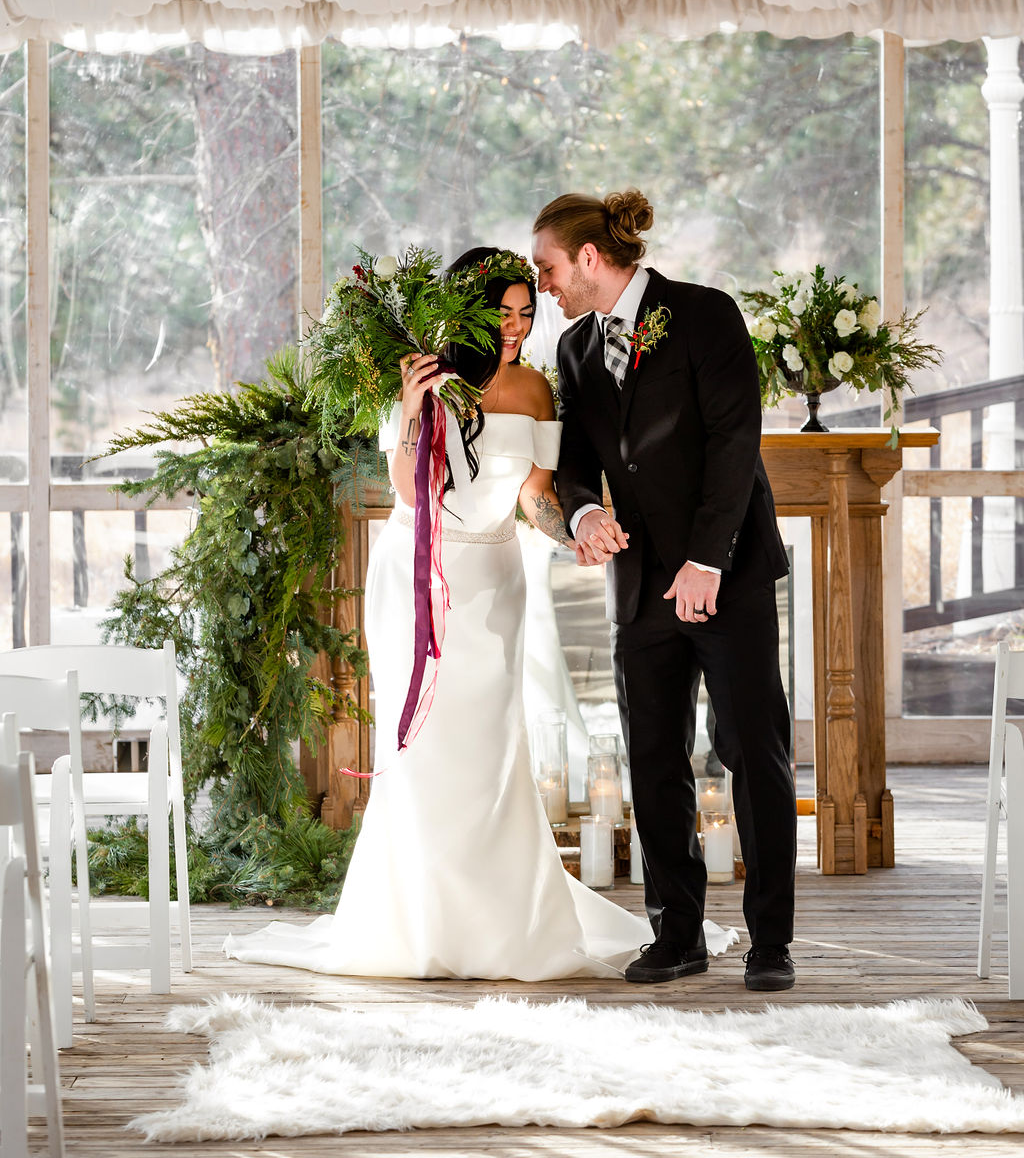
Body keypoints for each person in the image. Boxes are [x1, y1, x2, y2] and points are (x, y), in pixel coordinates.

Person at [226, 247, 737, 980]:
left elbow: (536, 497)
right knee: (424, 747)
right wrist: (409, 408)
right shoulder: (428, 379)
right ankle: (422, 917)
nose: (516, 326)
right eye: (503, 312)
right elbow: (410, 491)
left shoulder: (536, 388)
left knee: (494, 746)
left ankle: (502, 921)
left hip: (497, 576)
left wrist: (578, 532)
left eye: (527, 312)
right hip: (420, 579)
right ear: (466, 309)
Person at [532, 191, 798, 992]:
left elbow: (733, 441)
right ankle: (676, 936)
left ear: (587, 258)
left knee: (754, 751)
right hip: (639, 582)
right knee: (653, 758)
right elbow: (576, 458)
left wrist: (707, 561)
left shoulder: (706, 314)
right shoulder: (576, 349)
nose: (543, 284)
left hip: (728, 575)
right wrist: (580, 512)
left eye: (547, 267)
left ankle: (770, 944)